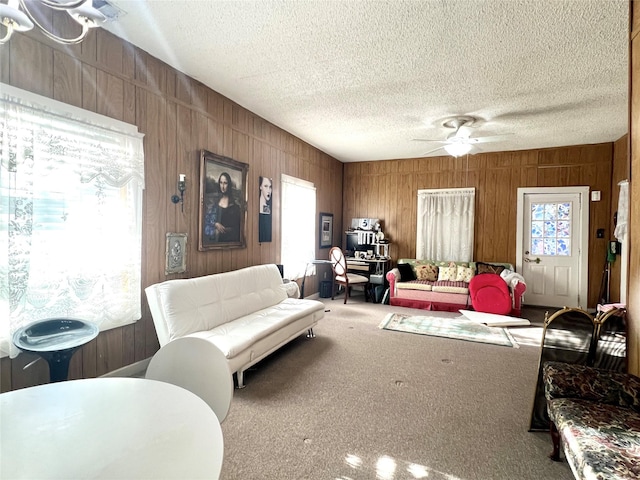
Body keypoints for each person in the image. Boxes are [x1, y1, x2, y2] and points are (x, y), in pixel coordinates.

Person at [213, 172, 241, 242]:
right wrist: (216, 224)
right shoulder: (216, 203)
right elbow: (208, 220)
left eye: (225, 183)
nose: (222, 186)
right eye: (221, 183)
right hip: (217, 240)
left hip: (230, 239)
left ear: (229, 185)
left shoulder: (235, 206)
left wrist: (226, 230)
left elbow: (237, 227)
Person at [258, 176, 272, 242]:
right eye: (266, 186)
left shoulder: (268, 208)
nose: (268, 190)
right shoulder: (257, 205)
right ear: (260, 187)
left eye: (270, 187)